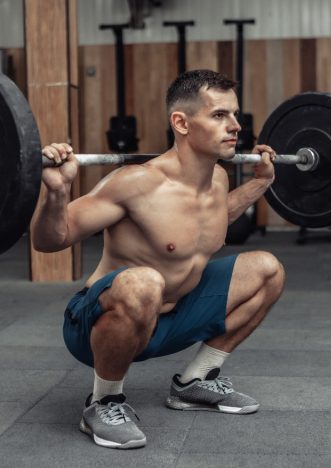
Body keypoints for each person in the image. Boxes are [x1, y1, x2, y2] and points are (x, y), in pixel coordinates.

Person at [31, 69, 285, 450]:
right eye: (219, 115)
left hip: (169, 318)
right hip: (99, 326)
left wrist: (259, 184)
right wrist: (54, 193)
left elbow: (206, 221)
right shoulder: (135, 183)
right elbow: (51, 240)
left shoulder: (217, 180)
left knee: (268, 269)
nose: (235, 126)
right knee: (145, 281)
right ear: (181, 123)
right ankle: (103, 401)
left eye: (234, 114)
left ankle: (194, 383)